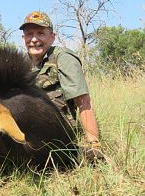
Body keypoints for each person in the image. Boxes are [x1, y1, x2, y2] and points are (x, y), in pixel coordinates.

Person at [20, 11, 104, 162]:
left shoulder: (63, 57)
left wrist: (94, 144)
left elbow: (83, 101)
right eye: (29, 34)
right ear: (23, 38)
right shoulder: (19, 64)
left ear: (52, 37)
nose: (34, 39)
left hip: (56, 132)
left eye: (40, 33)